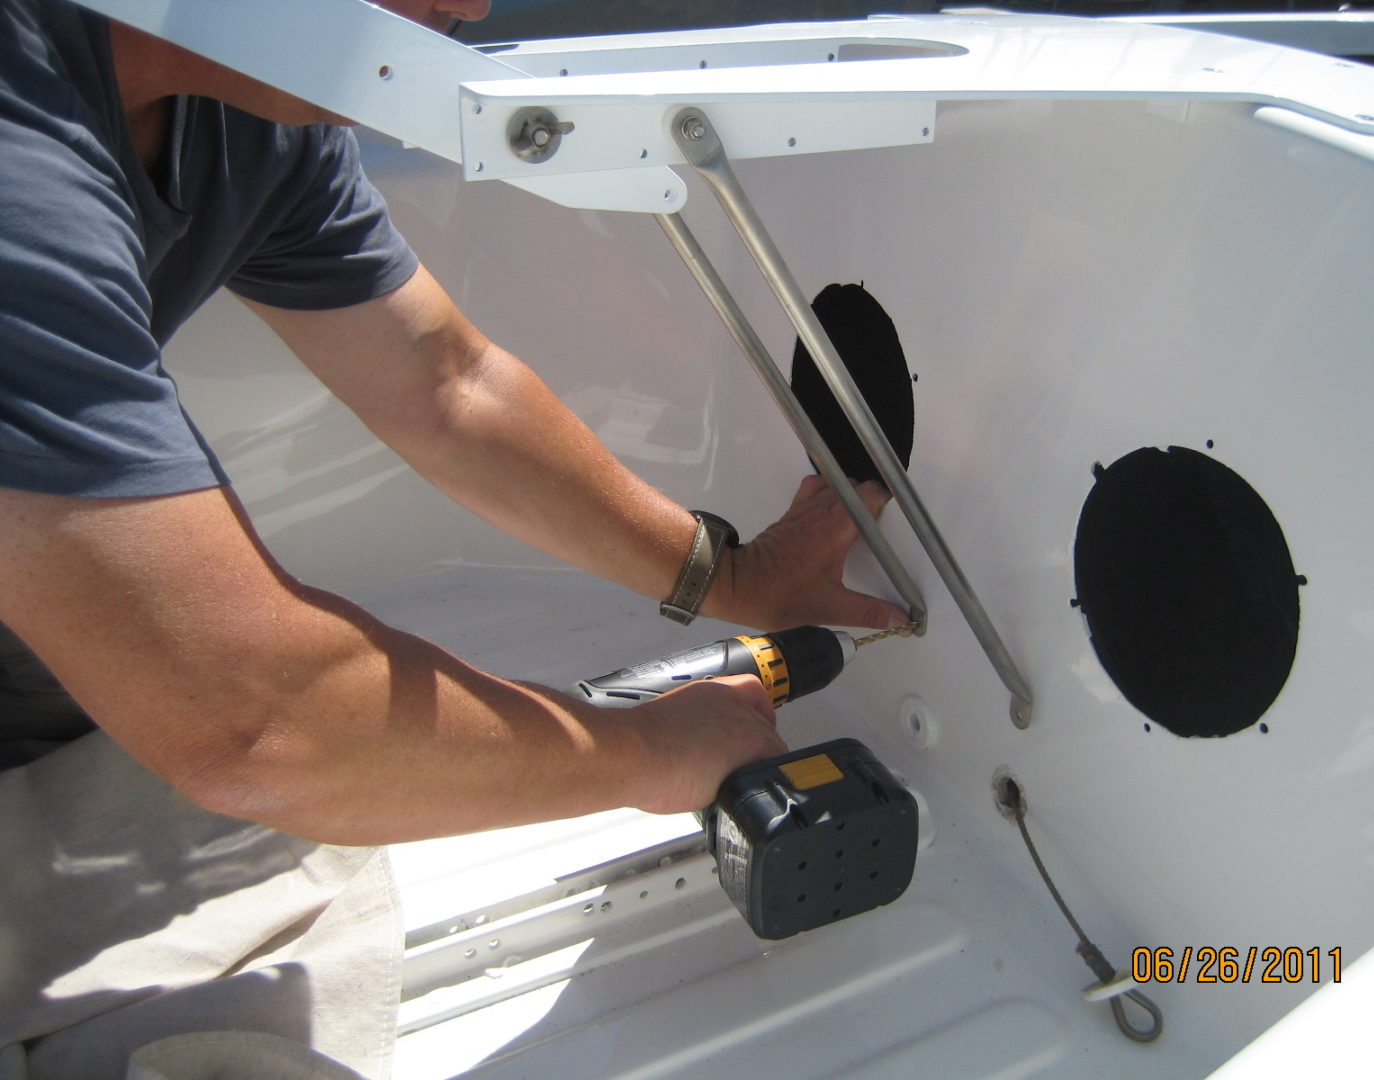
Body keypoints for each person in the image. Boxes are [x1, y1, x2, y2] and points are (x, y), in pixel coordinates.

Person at [0, 0, 907, 1075]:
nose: (473, 7)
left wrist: (737, 577)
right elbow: (251, 722)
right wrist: (646, 754)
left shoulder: (251, 97)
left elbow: (449, 386)